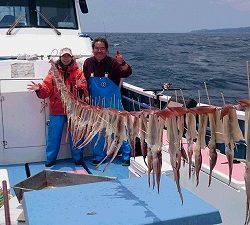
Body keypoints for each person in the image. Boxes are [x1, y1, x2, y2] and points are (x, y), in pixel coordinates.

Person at [28, 47, 89, 167]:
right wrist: (39, 88)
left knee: (76, 135)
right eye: (64, 56)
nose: (66, 58)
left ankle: (78, 158)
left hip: (74, 111)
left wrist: (80, 87)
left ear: (72, 58)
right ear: (60, 58)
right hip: (57, 109)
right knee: (53, 136)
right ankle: (50, 159)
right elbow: (46, 89)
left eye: (68, 56)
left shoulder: (79, 73)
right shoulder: (53, 72)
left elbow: (85, 90)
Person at [83, 37, 132, 166]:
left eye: (102, 48)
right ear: (93, 49)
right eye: (96, 48)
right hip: (96, 104)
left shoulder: (113, 62)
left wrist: (122, 63)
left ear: (106, 50)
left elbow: (126, 73)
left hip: (113, 103)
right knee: (97, 131)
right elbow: (85, 82)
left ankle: (126, 155)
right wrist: (86, 95)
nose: (99, 51)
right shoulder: (88, 63)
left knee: (121, 129)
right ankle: (99, 155)